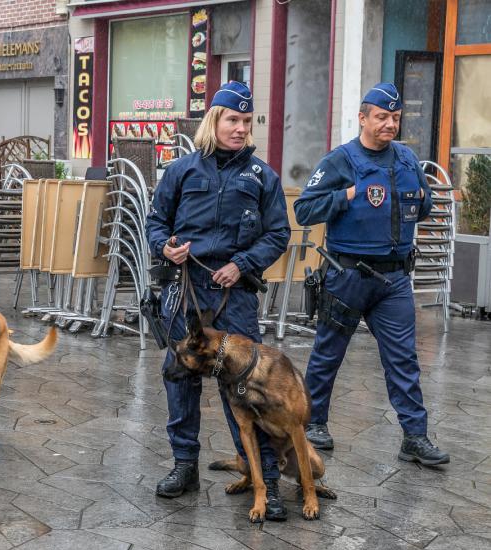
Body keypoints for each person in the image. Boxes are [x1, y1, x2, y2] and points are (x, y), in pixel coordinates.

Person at [146, 82, 291, 519]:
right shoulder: (181, 171)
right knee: (179, 377)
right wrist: (165, 247)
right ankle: (184, 466)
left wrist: (244, 263)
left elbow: (278, 234)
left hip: (236, 295)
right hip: (186, 288)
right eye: (233, 120)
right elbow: (156, 222)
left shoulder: (264, 177)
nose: (240, 129)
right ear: (214, 121)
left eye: (247, 122)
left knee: (248, 386)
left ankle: (265, 474)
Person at [294, 83, 449, 465]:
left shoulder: (407, 159)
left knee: (403, 360)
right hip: (348, 277)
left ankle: (415, 436)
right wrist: (343, 198)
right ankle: (313, 425)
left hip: (394, 280)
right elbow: (304, 211)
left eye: (395, 118)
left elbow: (422, 205)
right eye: (382, 117)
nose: (389, 124)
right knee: (327, 355)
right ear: (362, 118)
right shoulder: (340, 160)